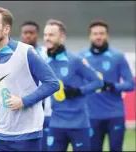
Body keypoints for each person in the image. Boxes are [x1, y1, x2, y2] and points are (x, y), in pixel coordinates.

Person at [0, 6, 60, 151]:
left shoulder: (26, 52)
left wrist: (23, 101)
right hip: (0, 133)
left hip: (28, 134)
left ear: (6, 29)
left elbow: (52, 83)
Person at [42, 19, 103, 151]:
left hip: (79, 124)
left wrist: (78, 91)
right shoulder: (44, 62)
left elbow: (98, 82)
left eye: (51, 35)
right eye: (45, 35)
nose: (47, 38)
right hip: (56, 123)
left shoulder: (75, 60)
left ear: (62, 37)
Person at [79, 20, 135, 151]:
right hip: (91, 115)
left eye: (102, 33)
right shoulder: (81, 57)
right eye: (95, 34)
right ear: (90, 36)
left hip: (114, 114)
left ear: (107, 35)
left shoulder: (118, 56)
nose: (98, 36)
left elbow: (130, 84)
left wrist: (111, 86)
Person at [20, 20, 52, 151]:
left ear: (37, 34)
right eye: (25, 33)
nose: (28, 36)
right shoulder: (16, 53)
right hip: (23, 107)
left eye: (31, 33)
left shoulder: (47, 53)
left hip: (46, 110)